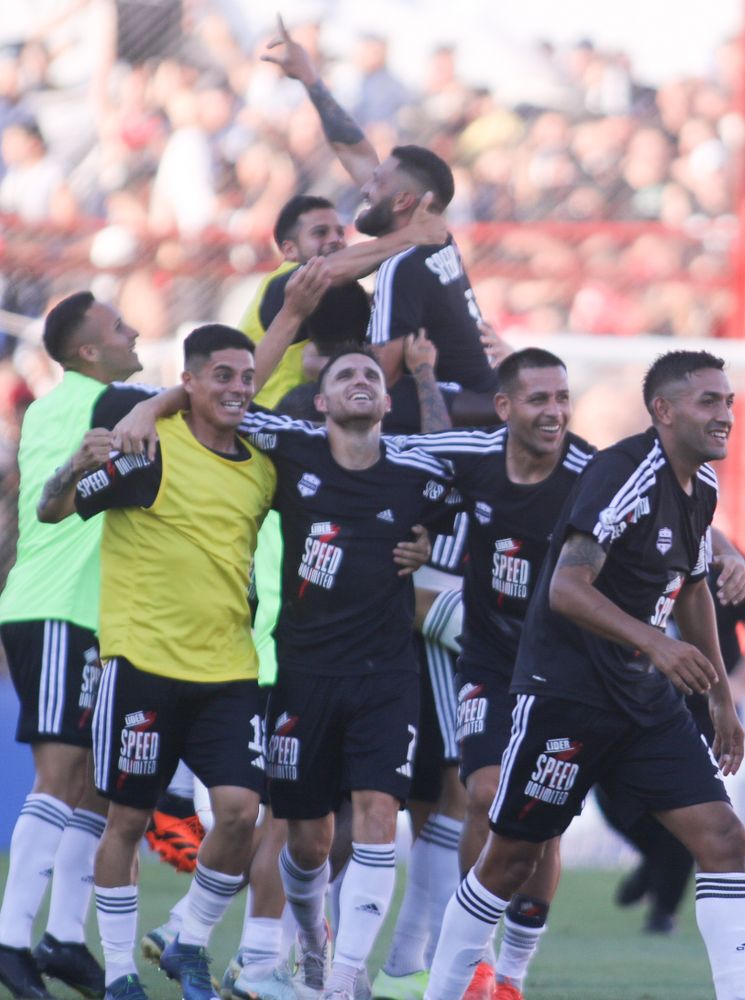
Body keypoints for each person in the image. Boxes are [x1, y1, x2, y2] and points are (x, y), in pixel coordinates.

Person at [426, 351, 745, 1000]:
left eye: (728, 402)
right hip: (566, 696)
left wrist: (721, 697)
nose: (724, 416)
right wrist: (655, 645)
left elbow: (691, 587)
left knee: (722, 838)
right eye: (708, 403)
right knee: (511, 857)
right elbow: (567, 589)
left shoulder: (704, 487)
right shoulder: (622, 473)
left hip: (642, 700)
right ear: (663, 412)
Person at [37, 325, 276, 1000]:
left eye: (245, 377)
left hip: (228, 669)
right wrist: (74, 466)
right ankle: (118, 974)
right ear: (188, 384)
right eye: (221, 376)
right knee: (128, 821)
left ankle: (188, 941)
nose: (237, 389)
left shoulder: (262, 462)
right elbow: (51, 510)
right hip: (141, 667)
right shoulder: (147, 451)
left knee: (238, 814)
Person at [357, 348, 596, 1000]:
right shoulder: (472, 457)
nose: (554, 412)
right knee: (485, 798)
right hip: (488, 664)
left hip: (563, 670)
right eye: (539, 399)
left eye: (561, 398)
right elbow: (406, 456)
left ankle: (514, 972)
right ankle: (479, 958)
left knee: (540, 825)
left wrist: (717, 550)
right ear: (505, 408)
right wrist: (410, 539)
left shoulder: (590, 472)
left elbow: (657, 499)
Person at [239, 345, 458, 1000]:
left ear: (386, 403)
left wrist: (426, 538)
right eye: (345, 376)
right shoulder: (293, 450)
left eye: (370, 375)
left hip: (387, 675)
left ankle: (340, 983)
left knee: (377, 812)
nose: (360, 381)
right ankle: (313, 944)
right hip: (303, 671)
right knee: (307, 843)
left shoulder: (414, 474)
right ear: (324, 401)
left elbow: (457, 465)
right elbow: (220, 403)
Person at [0, 291, 142, 1000]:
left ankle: (66, 939)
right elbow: (183, 397)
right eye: (117, 326)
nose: (133, 331)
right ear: (88, 351)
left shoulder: (76, 403)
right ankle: (9, 939)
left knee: (92, 783)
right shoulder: (90, 403)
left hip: (91, 616)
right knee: (60, 772)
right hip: (55, 611)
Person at [261, 17, 499, 432]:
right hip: (478, 404)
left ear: (404, 200)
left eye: (378, 180)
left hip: (454, 421)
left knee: (312, 404)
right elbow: (353, 150)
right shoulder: (430, 239)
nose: (364, 183)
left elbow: (380, 379)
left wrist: (326, 365)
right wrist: (310, 79)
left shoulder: (399, 267)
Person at [602, 538, 745, 936]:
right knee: (611, 798)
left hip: (703, 707)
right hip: (632, 701)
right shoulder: (628, 545)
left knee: (696, 805)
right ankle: (654, 858)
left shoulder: (726, 560)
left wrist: (736, 686)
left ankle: (663, 912)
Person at [241, 192, 447, 412]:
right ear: (289, 250)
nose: (335, 239)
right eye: (320, 233)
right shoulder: (284, 284)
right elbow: (326, 270)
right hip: (268, 420)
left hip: (309, 411)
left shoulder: (340, 293)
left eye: (340, 232)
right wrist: (411, 236)